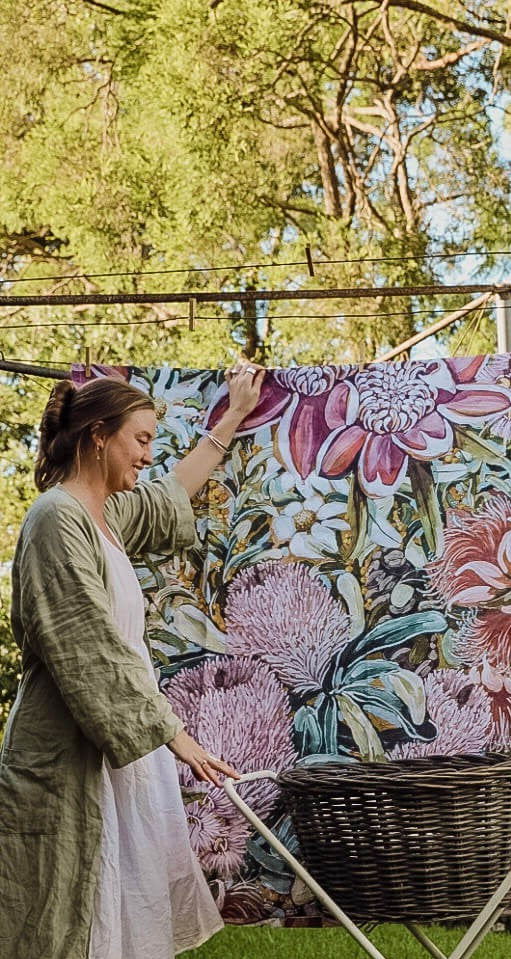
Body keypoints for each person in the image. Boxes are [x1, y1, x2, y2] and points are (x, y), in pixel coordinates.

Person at [0, 362, 265, 959]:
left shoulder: (106, 516)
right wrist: (173, 733)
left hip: (116, 761)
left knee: (117, 919)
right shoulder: (55, 518)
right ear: (98, 435)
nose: (148, 454)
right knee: (63, 920)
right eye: (140, 439)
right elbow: (87, 645)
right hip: (67, 761)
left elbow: (172, 495)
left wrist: (235, 415)